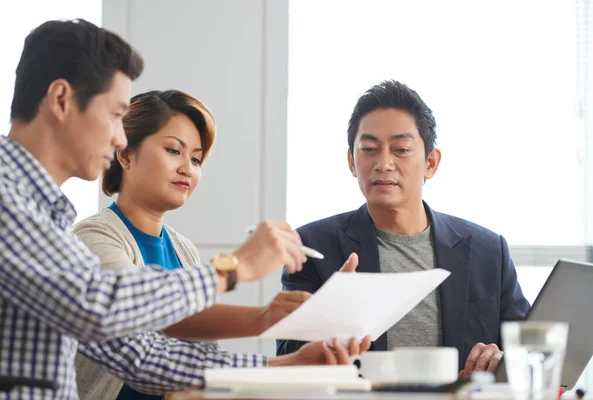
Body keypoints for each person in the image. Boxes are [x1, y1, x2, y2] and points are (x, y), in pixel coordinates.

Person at [0, 19, 357, 399]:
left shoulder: (47, 221)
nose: (120, 136)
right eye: (115, 115)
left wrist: (289, 367)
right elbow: (100, 304)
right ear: (61, 100)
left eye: (197, 158)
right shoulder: (9, 200)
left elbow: (140, 355)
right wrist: (233, 268)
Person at [73, 89, 371, 399]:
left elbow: (190, 340)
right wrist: (250, 293)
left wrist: (282, 340)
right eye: (173, 150)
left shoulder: (182, 248)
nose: (188, 168)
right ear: (125, 154)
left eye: (196, 158)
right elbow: (144, 327)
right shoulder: (95, 237)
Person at [277, 80, 531, 379]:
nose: (384, 163)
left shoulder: (488, 250)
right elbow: (288, 362)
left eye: (401, 149)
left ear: (431, 163)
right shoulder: (312, 246)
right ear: (351, 161)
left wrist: (504, 360)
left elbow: (531, 351)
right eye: (369, 148)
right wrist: (334, 312)